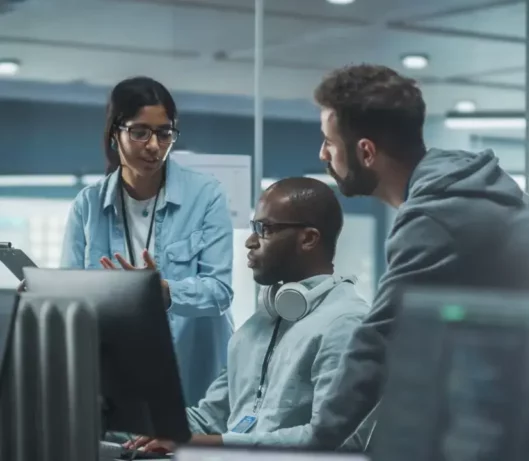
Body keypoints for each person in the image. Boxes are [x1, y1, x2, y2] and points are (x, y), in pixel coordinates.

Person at [309, 64, 529, 448]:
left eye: (329, 141)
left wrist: (315, 447)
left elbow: (378, 344)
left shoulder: (439, 213)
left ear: (366, 151)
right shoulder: (454, 186)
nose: (322, 152)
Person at [125, 177, 373, 453]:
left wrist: (205, 442)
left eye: (264, 229)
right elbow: (209, 420)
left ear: (309, 238)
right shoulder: (258, 325)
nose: (250, 241)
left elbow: (337, 440)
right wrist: (142, 424)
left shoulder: (347, 323)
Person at [60, 76, 234, 405]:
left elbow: (220, 293)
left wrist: (165, 292)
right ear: (115, 133)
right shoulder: (88, 205)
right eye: (140, 132)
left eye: (165, 133)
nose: (154, 146)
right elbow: (73, 294)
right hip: (118, 376)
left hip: (195, 379)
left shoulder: (205, 194)